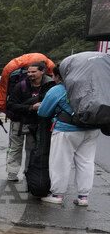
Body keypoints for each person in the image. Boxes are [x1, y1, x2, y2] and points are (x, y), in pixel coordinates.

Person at [37, 64, 100, 206]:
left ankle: (57, 195)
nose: (53, 78)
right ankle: (83, 197)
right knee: (86, 162)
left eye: (53, 75)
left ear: (59, 76)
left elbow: (43, 112)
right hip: (91, 129)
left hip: (66, 130)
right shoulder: (91, 87)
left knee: (60, 163)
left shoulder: (59, 89)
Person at [5, 62, 54, 182]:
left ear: (42, 71)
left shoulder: (49, 86)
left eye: (33, 72)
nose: (30, 74)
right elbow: (11, 105)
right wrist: (31, 107)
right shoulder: (20, 86)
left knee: (32, 150)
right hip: (18, 122)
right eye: (29, 72)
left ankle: (28, 172)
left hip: (37, 123)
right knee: (15, 148)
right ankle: (12, 172)